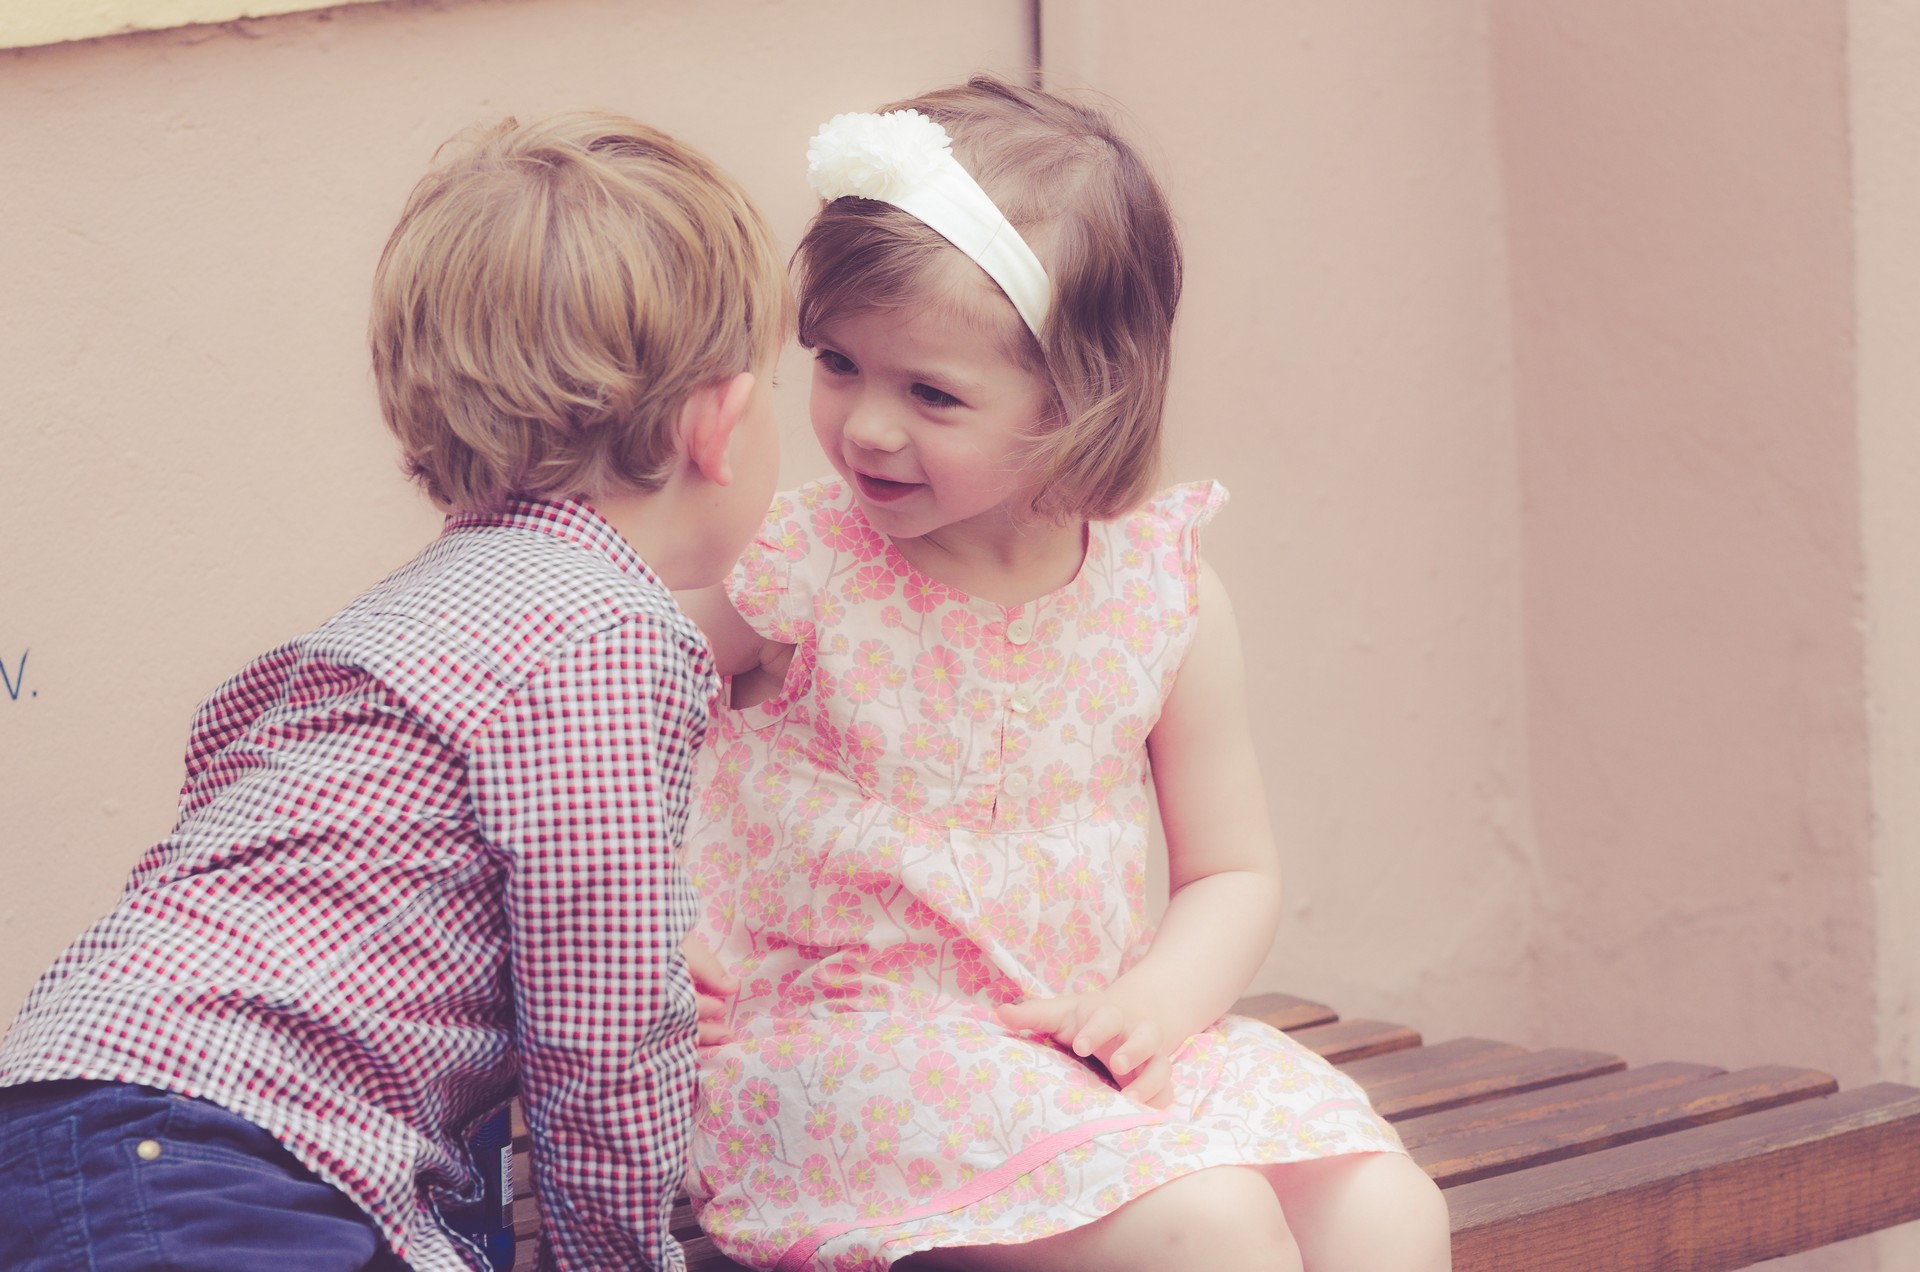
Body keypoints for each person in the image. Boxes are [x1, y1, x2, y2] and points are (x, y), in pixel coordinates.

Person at [674, 77, 1452, 1272]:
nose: (867, 427)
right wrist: (658, 930)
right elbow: (601, 726)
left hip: (1083, 1034)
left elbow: (1231, 869)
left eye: (931, 393)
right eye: (837, 364)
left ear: (1080, 398)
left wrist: (1161, 1002)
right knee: (1210, 1225)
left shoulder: (1160, 593)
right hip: (851, 1061)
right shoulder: (795, 567)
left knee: (1384, 1210)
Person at [0, 109, 789, 1272]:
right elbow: (608, 1049)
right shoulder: (612, 629)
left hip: (72, 1115)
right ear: (719, 420)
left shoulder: (409, 615)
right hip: (222, 1167)